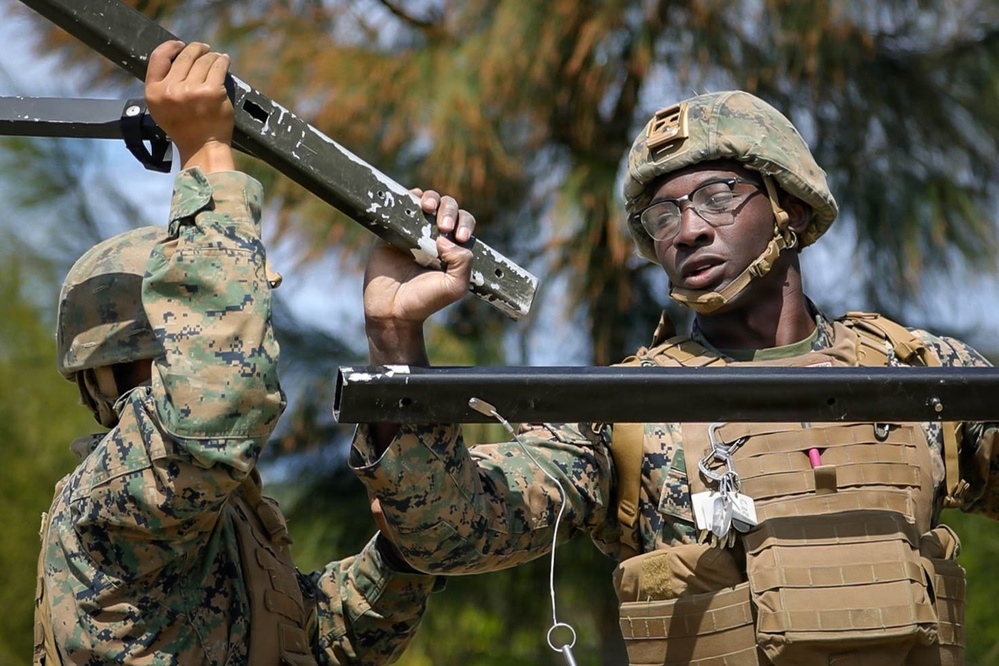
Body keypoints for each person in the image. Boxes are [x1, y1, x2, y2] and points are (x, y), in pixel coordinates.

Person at [351, 89, 999, 664]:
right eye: (663, 216)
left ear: (792, 210)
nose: (687, 231)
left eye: (718, 198)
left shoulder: (917, 374)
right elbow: (449, 531)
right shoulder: (628, 408)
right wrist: (394, 336)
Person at [34, 40, 437, 665]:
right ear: (119, 366)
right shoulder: (104, 511)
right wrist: (205, 156)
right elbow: (219, 404)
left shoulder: (217, 518)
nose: (252, 338)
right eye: (189, 327)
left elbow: (315, 640)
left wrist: (393, 337)